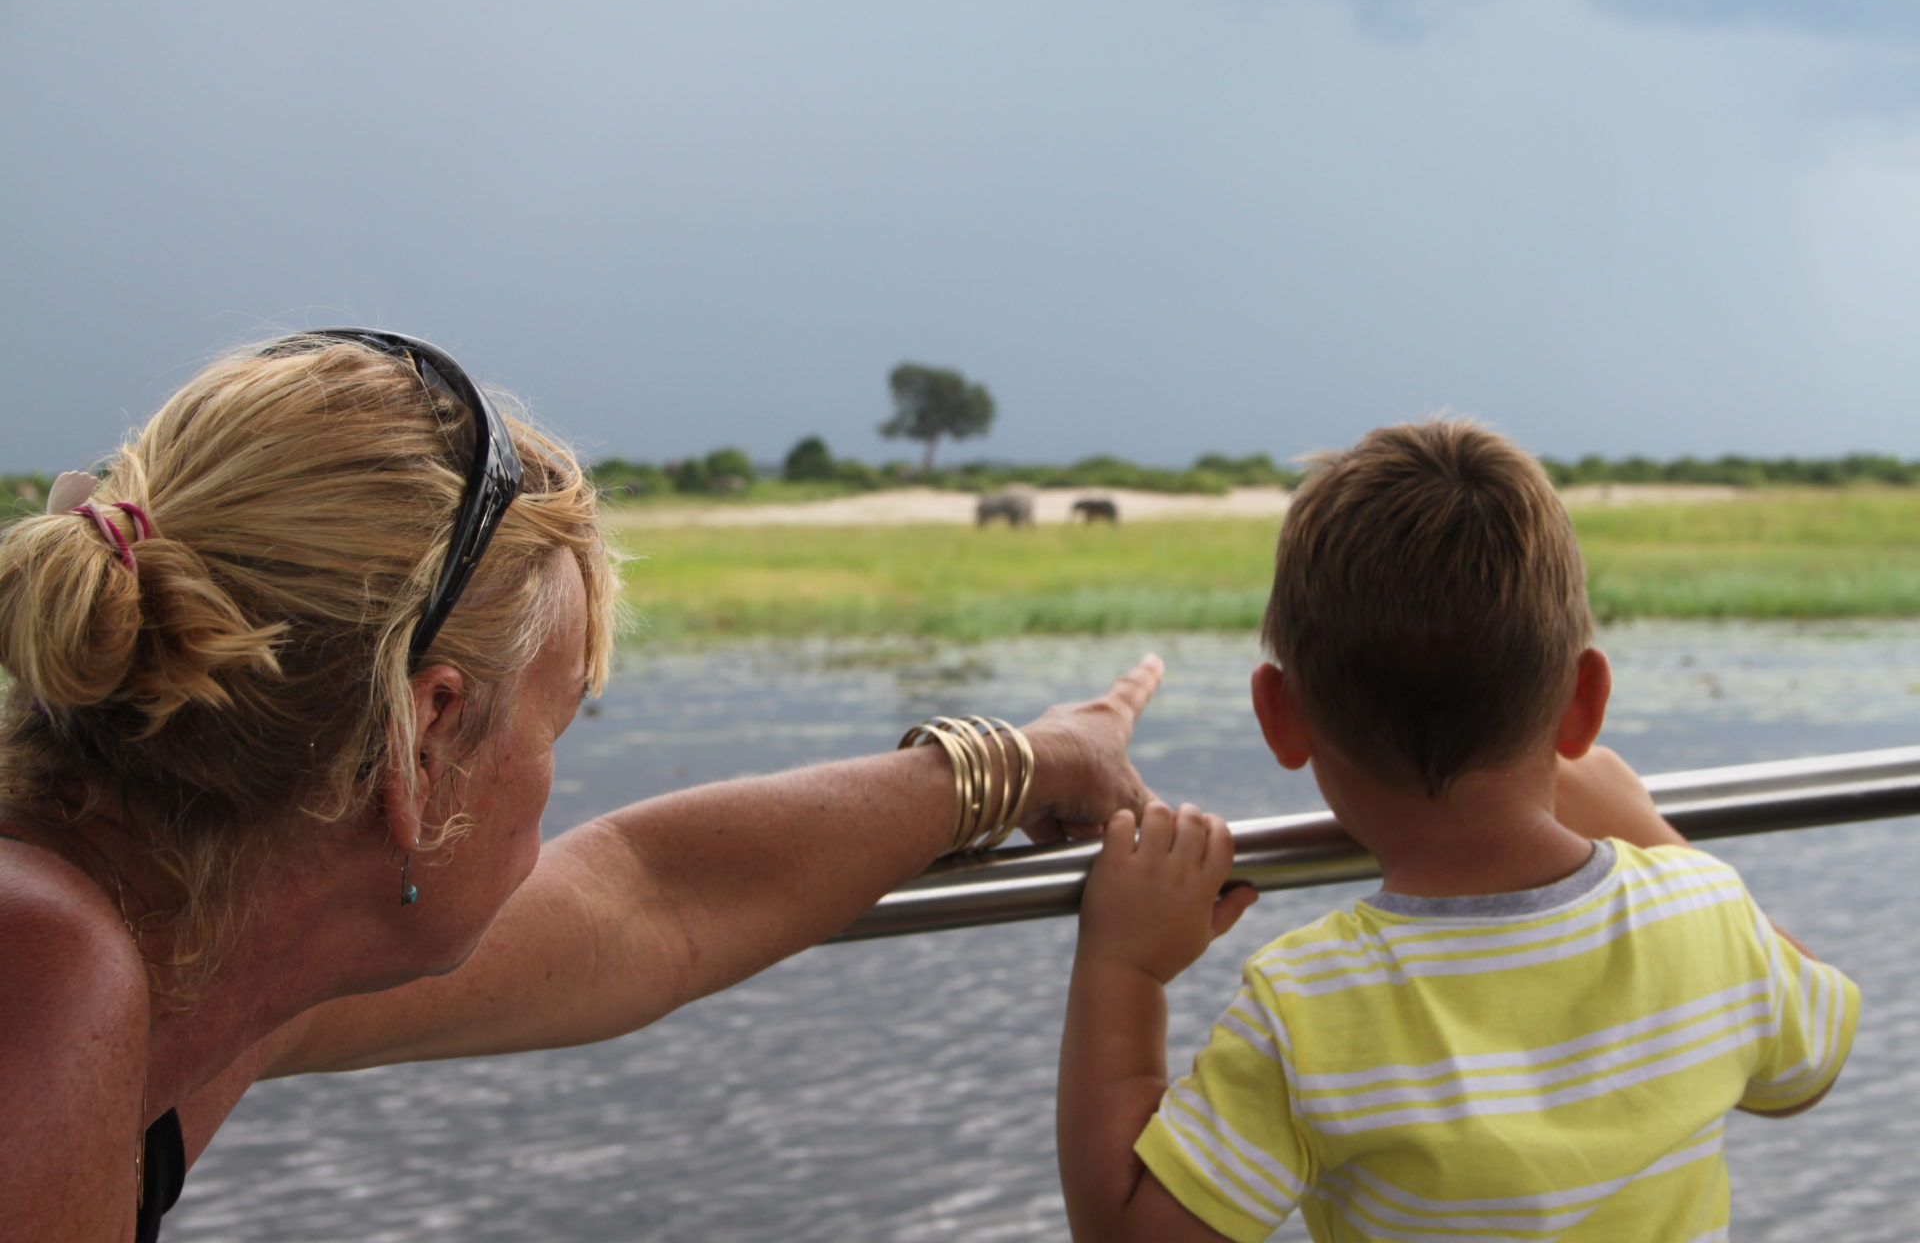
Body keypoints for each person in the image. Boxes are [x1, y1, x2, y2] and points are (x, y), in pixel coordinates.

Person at [0, 329, 1165, 1242]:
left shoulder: (212, 940)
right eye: (556, 722)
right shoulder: (51, 976)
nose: (555, 778)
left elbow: (647, 898)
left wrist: (1026, 761)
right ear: (424, 738)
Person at [1056, 420, 1860, 1242]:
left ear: (1280, 717)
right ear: (1584, 702)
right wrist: (1644, 826)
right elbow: (1809, 1066)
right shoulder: (1705, 912)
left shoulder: (1313, 1004)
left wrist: (1127, 965)